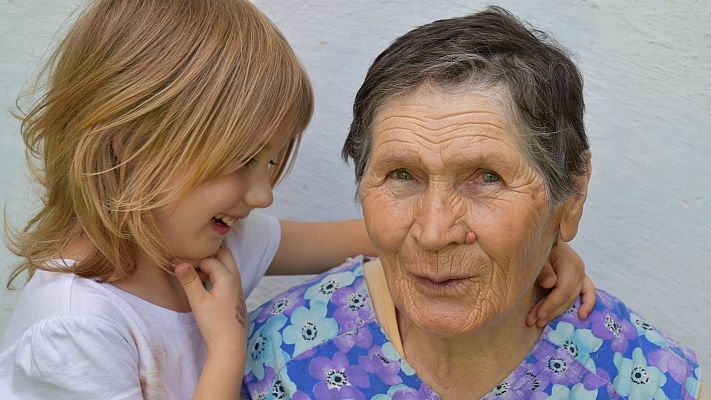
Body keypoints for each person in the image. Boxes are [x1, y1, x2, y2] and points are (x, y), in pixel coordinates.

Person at [0, 1, 592, 399]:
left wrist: (532, 246)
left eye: (271, 164)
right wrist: (229, 348)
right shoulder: (72, 330)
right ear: (129, 146)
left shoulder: (216, 240)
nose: (261, 194)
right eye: (239, 163)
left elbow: (387, 234)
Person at [243, 6, 707, 400]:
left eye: (487, 178)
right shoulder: (275, 360)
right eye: (402, 174)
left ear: (573, 190)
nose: (433, 231)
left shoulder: (648, 381)